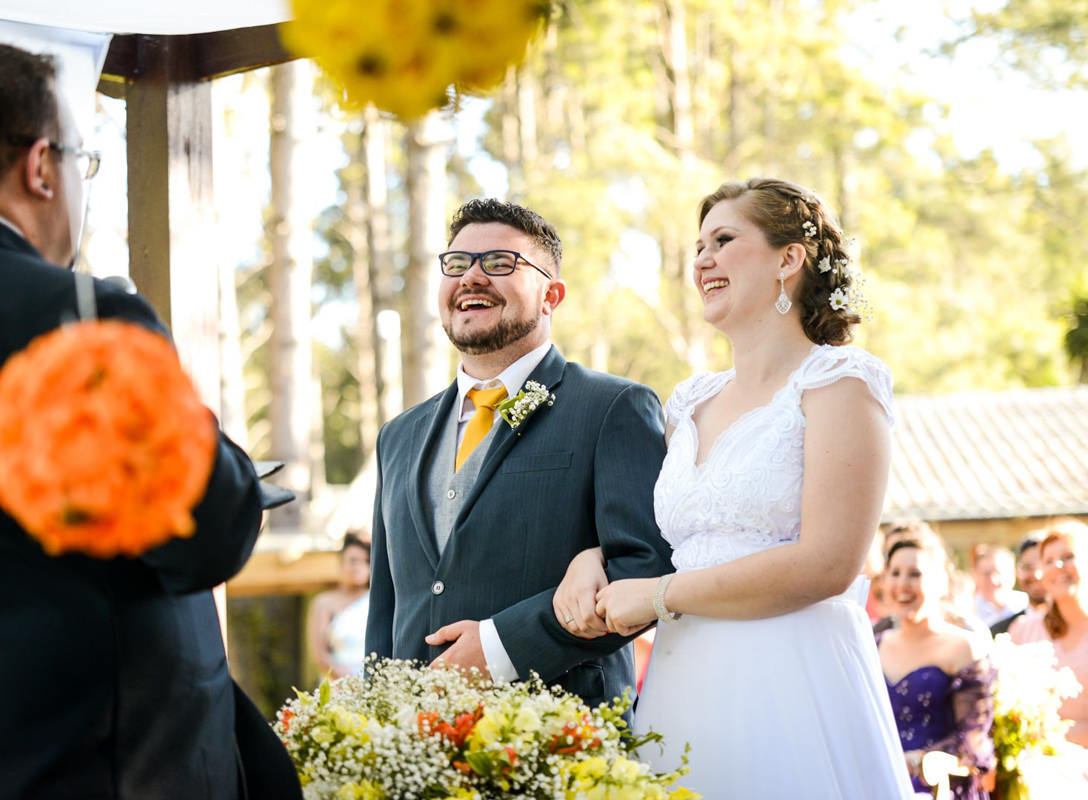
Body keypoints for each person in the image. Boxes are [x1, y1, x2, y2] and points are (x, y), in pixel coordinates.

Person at [0, 43, 300, 799]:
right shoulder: (75, 316)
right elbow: (212, 529)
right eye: (83, 160)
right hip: (95, 771)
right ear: (40, 166)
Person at [556, 178, 913, 797]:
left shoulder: (840, 382)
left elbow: (830, 562)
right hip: (684, 676)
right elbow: (660, 534)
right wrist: (591, 557)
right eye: (698, 247)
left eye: (723, 240)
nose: (702, 261)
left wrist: (660, 595)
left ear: (788, 258)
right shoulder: (690, 401)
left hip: (791, 675)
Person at [365, 198, 673, 711]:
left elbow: (644, 569)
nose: (472, 277)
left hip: (559, 741)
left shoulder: (611, 408)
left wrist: (503, 648)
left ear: (551, 295)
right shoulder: (398, 435)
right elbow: (387, 606)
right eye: (458, 264)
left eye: (500, 263)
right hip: (412, 745)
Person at [878, 539, 996, 798]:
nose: (902, 584)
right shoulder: (874, 645)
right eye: (895, 573)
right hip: (878, 778)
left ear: (940, 582)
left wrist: (920, 761)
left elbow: (972, 739)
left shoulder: (964, 647)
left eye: (915, 574)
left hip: (940, 785)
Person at [1009, 520, 1088, 747]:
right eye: (1049, 561)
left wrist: (1052, 737)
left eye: (1068, 557)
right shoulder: (1023, 631)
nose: (1058, 566)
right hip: (1036, 769)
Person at [308, 530, 372, 678]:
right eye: (353, 561)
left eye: (366, 561)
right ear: (341, 562)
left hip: (373, 683)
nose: (359, 567)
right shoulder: (324, 603)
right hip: (339, 684)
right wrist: (348, 680)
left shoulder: (375, 600)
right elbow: (320, 654)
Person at [990, 531, 1047, 637]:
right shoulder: (1001, 632)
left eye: (1043, 566)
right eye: (1027, 567)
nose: (1036, 575)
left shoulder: (1079, 626)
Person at [971, 543, 1029, 628]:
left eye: (998, 573)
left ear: (1013, 573)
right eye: (987, 574)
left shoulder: (1027, 604)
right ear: (975, 576)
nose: (993, 580)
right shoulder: (969, 610)